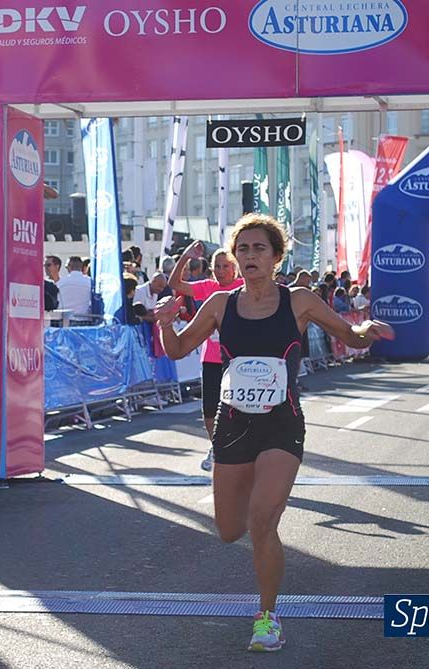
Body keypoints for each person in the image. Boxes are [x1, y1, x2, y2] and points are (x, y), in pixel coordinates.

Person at [155, 213, 394, 653]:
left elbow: (350, 335)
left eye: (259, 248)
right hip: (232, 425)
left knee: (262, 520)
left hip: (281, 424)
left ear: (276, 256)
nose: (249, 256)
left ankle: (267, 617)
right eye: (242, 249)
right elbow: (178, 348)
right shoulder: (220, 305)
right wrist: (165, 322)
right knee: (230, 530)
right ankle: (252, 500)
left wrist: (368, 330)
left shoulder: (298, 301)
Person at [168, 242, 243, 471]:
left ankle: (242, 447)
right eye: (217, 266)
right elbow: (175, 284)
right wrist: (186, 257)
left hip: (238, 359)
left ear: (235, 268)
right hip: (211, 358)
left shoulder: (244, 286)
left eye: (225, 266)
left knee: (239, 407)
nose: (221, 271)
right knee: (210, 408)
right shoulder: (209, 287)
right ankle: (217, 446)